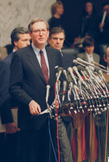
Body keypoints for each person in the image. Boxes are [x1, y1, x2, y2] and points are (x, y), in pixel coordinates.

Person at [10, 17, 63, 162]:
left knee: (48, 157)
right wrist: (29, 102)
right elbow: (14, 87)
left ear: (48, 34)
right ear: (31, 34)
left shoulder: (55, 54)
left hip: (51, 118)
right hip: (30, 119)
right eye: (37, 31)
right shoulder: (20, 55)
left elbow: (60, 82)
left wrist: (59, 97)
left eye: (43, 30)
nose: (40, 34)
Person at [0, 27, 31, 162]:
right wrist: (9, 120)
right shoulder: (6, 63)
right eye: (25, 40)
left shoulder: (31, 59)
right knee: (14, 152)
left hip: (29, 113)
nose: (28, 43)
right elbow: (4, 94)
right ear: (15, 42)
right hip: (15, 114)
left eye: (29, 40)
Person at [48, 27, 74, 162]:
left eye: (61, 39)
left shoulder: (70, 58)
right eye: (55, 39)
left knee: (67, 144)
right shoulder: (44, 58)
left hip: (69, 110)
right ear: (49, 40)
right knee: (62, 147)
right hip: (51, 109)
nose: (58, 42)